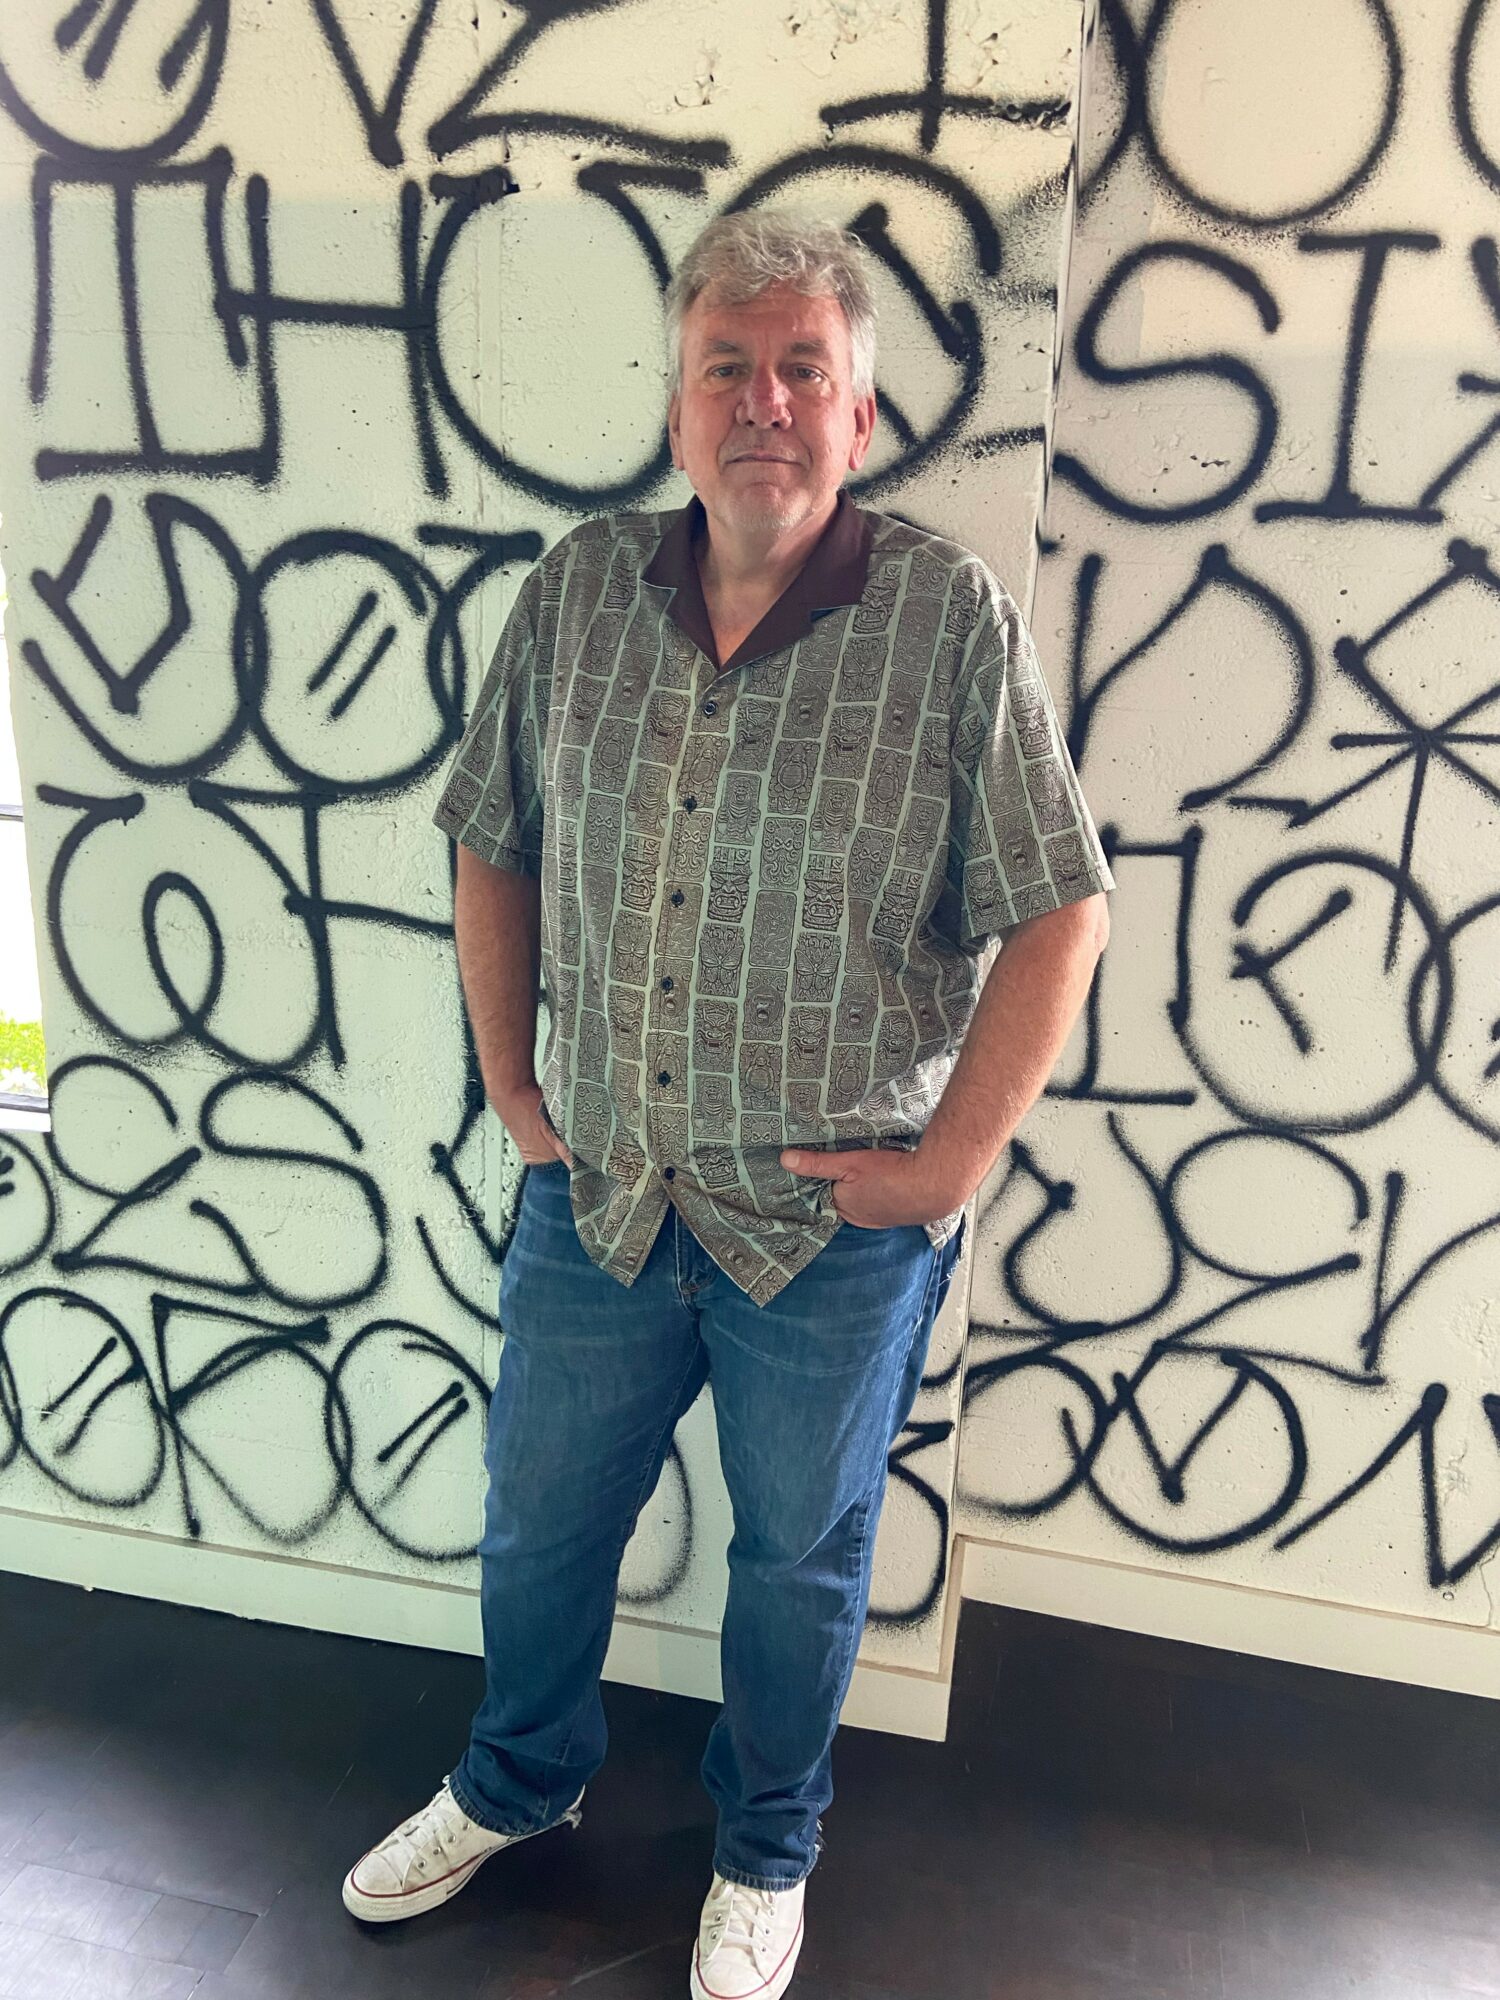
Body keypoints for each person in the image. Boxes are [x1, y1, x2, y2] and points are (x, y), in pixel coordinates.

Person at [342, 211, 1112, 2000]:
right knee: (539, 1527)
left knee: (797, 1567)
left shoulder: (946, 622)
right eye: (728, 368)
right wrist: (513, 1083)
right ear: (680, 407)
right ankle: (517, 1783)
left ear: (859, 413)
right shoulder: (576, 593)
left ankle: (767, 1850)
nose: (764, 401)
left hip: (829, 1234)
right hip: (599, 1190)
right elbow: (491, 837)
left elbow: (1061, 906)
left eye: (802, 371)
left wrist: (948, 1164)